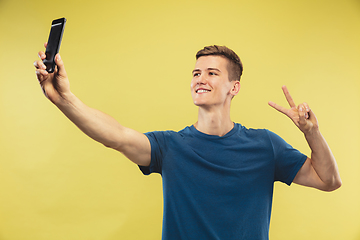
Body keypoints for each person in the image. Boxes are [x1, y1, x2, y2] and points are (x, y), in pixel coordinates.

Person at [34, 44, 341, 240]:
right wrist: (65, 99)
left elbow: (328, 180)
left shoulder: (265, 146)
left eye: (211, 72)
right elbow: (115, 136)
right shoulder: (171, 147)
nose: (199, 79)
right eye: (196, 73)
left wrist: (311, 132)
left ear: (234, 87)